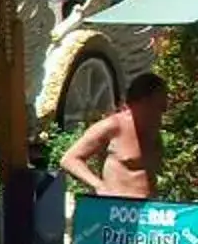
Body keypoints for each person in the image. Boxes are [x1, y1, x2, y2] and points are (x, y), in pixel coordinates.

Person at [61, 70, 167, 201]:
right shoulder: (113, 126)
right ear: (144, 101)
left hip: (149, 212)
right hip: (116, 211)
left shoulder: (153, 131)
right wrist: (99, 185)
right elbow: (69, 159)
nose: (163, 112)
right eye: (159, 106)